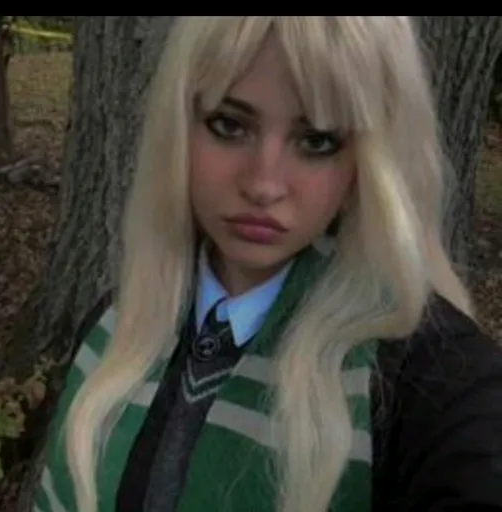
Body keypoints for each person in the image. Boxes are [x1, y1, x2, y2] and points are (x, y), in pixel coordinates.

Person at [33, 16, 502, 512]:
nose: (264, 185)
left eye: (317, 140)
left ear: (368, 160)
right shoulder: (115, 329)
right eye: (230, 126)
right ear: (179, 127)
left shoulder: (428, 378)